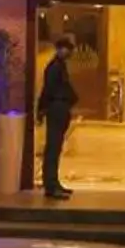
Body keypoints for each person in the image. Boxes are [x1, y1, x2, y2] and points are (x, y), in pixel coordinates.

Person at [37, 37, 78, 201]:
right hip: (56, 108)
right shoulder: (54, 68)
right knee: (52, 149)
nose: (69, 53)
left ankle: (54, 183)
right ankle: (50, 186)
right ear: (61, 49)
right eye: (67, 49)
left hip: (60, 109)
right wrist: (41, 110)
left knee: (56, 148)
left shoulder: (60, 67)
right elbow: (48, 90)